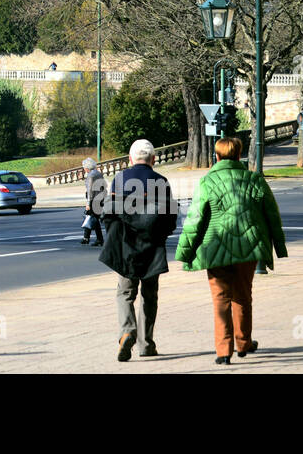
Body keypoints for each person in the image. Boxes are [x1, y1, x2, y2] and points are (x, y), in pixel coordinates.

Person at [175, 137, 288, 366]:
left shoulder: (207, 182)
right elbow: (272, 216)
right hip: (249, 246)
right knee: (243, 296)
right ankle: (243, 343)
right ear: (239, 155)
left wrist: (185, 253)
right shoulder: (255, 179)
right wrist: (279, 247)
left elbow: (195, 220)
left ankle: (223, 350)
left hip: (215, 246)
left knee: (220, 299)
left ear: (216, 157)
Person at [98, 139, 178, 362]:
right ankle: (146, 344)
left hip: (126, 247)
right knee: (149, 296)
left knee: (125, 293)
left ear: (130, 159)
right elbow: (170, 218)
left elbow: (109, 214)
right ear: (153, 159)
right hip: (152, 248)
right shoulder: (161, 182)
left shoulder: (119, 180)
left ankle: (127, 331)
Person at [81, 158, 105, 246]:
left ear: (87, 167)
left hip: (93, 199)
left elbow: (90, 189)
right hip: (100, 198)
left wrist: (88, 203)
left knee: (92, 218)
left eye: (84, 167)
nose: (83, 169)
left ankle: (97, 239)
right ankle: (87, 238)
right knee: (92, 218)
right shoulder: (98, 173)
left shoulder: (90, 176)